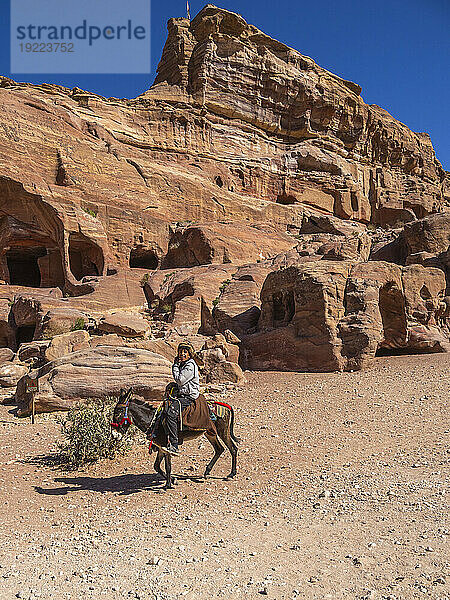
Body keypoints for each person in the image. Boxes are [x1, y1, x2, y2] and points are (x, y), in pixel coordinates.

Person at [162, 341, 200, 455]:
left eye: (185, 352)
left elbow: (180, 380)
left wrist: (175, 366)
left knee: (171, 413)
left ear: (189, 354)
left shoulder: (190, 365)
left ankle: (174, 445)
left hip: (189, 396)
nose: (182, 354)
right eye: (180, 351)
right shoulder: (184, 364)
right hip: (182, 393)